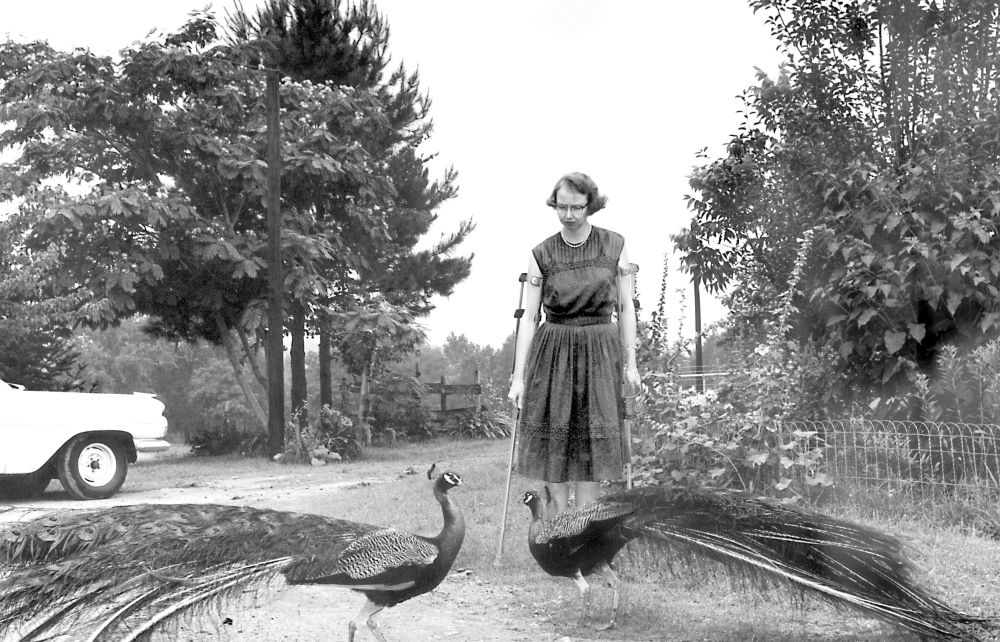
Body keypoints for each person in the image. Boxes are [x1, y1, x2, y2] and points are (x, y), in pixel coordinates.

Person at [507, 172, 641, 515]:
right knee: (555, 441)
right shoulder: (541, 253)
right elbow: (528, 317)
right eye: (562, 207)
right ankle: (555, 532)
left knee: (591, 444)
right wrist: (519, 377)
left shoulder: (615, 245)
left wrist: (631, 365)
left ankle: (581, 530)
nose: (569, 215)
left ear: (590, 206)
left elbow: (626, 309)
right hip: (553, 353)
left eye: (577, 207)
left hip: (600, 350)